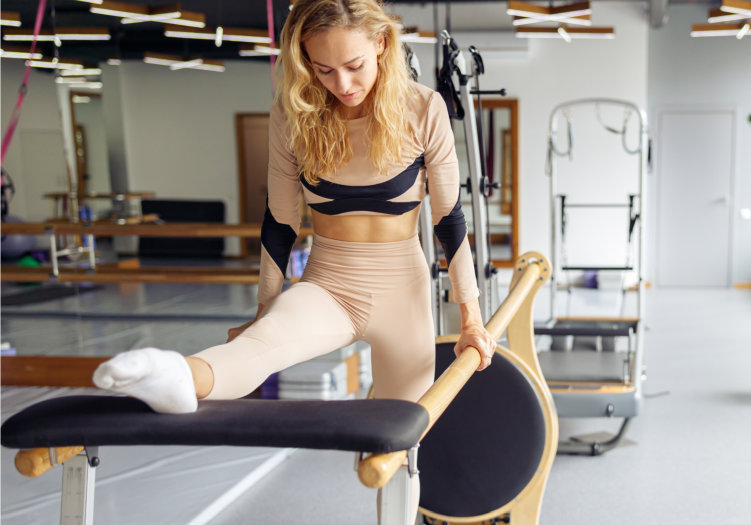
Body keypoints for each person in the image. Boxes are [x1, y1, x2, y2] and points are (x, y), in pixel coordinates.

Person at [92, 0, 496, 413]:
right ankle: (171, 373)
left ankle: (396, 473)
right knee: (257, 349)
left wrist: (471, 319)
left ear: (380, 43)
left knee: (404, 433)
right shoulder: (291, 115)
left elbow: (449, 219)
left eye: (354, 65)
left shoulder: (424, 108)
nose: (342, 83)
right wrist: (264, 309)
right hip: (328, 285)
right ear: (306, 62)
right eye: (324, 70)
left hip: (403, 293)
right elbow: (280, 221)